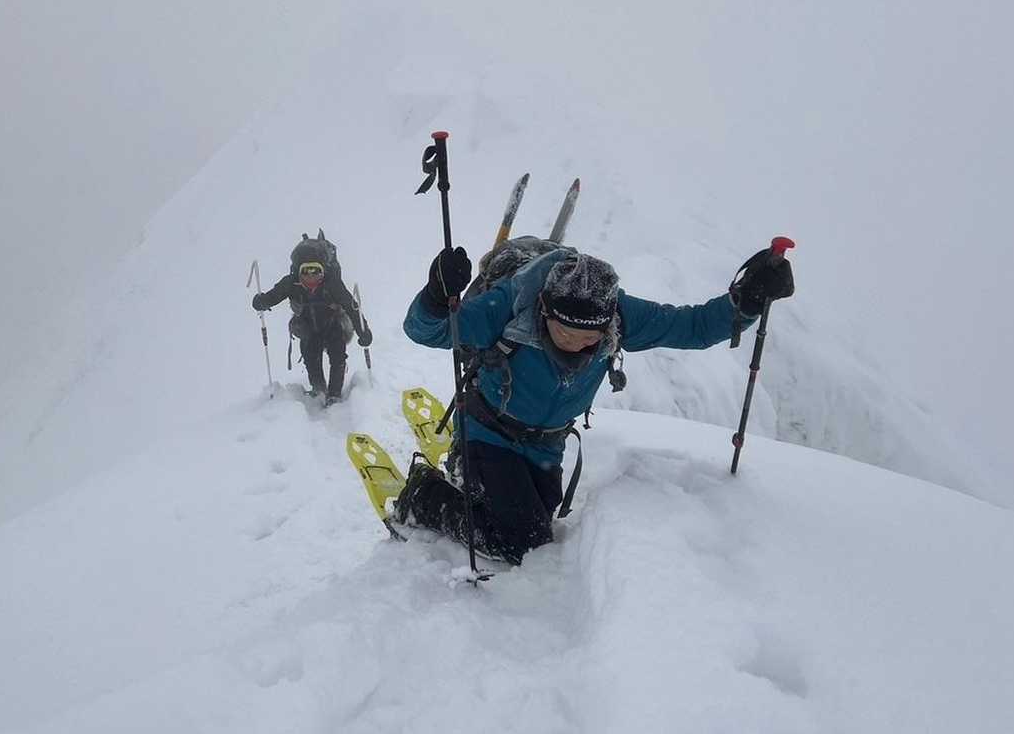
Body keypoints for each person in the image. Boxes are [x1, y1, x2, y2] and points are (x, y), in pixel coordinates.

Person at [397, 243, 793, 563]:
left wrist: (747, 302)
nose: (575, 345)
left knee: (537, 521)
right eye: (564, 333)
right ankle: (424, 495)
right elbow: (425, 330)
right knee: (521, 542)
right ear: (544, 310)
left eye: (588, 338)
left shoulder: (618, 315)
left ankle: (476, 480)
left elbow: (692, 326)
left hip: (546, 446)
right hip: (489, 430)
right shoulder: (510, 306)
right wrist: (435, 297)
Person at [252, 231, 372, 404]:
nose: (310, 277)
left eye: (315, 271)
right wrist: (262, 302)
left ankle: (334, 395)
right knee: (310, 356)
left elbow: (351, 307)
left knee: (337, 355)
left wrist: (363, 331)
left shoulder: (332, 284)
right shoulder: (291, 283)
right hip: (307, 325)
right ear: (299, 272)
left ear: (323, 271)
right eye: (306, 272)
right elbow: (273, 296)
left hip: (332, 323)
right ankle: (319, 390)